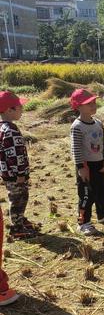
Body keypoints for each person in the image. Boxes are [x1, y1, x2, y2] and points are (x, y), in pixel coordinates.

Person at [69, 89, 104, 235]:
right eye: (88, 104)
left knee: (103, 191)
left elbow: (103, 143)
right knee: (86, 195)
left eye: (94, 102)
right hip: (86, 166)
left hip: (99, 164)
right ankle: (83, 222)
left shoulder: (98, 123)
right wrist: (80, 167)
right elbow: (76, 149)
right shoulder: (77, 127)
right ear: (78, 107)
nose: (93, 105)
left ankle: (103, 215)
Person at [0, 91, 39, 239]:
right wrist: (21, 174)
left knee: (17, 197)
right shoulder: (11, 131)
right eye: (19, 107)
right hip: (16, 175)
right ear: (10, 110)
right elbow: (15, 156)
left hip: (8, 173)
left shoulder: (2, 128)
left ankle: (20, 219)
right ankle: (17, 228)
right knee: (19, 199)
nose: (22, 110)